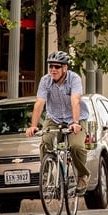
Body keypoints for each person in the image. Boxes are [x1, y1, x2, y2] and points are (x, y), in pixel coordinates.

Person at [25, 51, 91, 195]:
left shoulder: (74, 79)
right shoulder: (45, 81)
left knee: (76, 146)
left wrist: (75, 122)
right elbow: (39, 103)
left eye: (57, 67)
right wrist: (33, 125)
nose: (53, 70)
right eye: (51, 67)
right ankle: (46, 176)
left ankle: (82, 175)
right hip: (54, 118)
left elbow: (75, 101)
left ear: (65, 68)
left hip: (76, 118)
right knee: (45, 142)